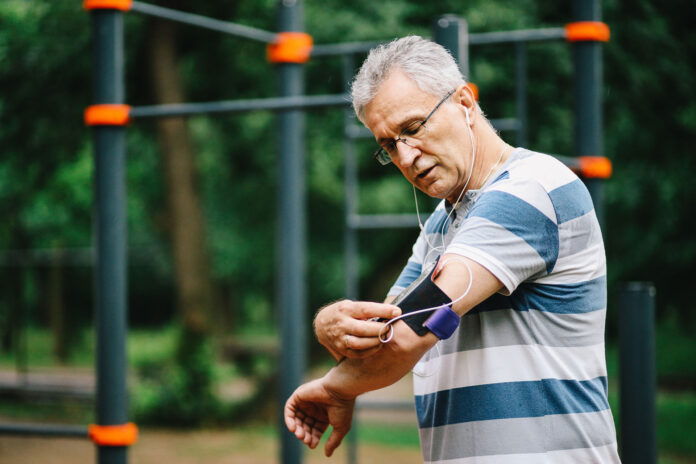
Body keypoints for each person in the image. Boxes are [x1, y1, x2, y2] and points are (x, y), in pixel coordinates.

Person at [284, 35, 620, 463]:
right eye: (389, 144)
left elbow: (410, 332)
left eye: (413, 128)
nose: (405, 156)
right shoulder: (442, 223)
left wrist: (333, 386)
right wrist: (330, 325)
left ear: (464, 101)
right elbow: (385, 335)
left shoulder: (530, 189)